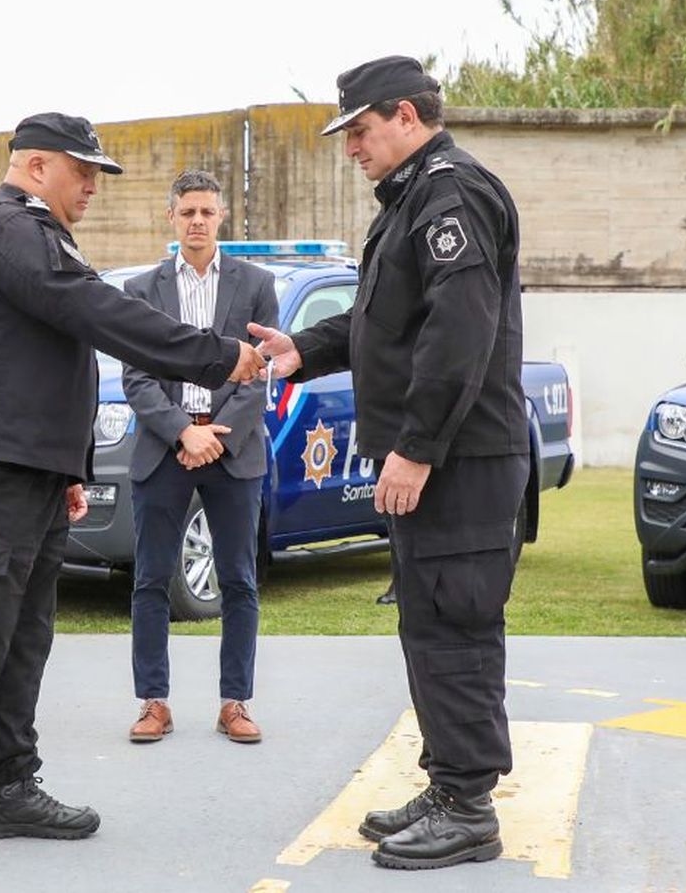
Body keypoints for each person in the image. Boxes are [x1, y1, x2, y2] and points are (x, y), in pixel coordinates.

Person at [0, 113, 264, 874]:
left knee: (20, 637)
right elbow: (93, 312)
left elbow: (40, 359)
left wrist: (65, 469)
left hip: (24, 469)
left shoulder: (33, 234)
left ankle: (8, 786)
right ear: (33, 166)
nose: (92, 185)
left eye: (96, 172)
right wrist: (218, 356)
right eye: (81, 170)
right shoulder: (3, 226)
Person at [251, 56, 529, 872]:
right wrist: (303, 347)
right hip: (442, 461)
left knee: (458, 625)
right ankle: (450, 784)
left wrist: (415, 448)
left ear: (406, 116)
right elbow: (385, 323)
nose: (351, 148)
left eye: (360, 130)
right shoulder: (415, 198)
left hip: (461, 463)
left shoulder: (451, 194)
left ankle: (470, 808)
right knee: (430, 625)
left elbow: (458, 334)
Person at [121, 170, 278, 745]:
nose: (197, 222)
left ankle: (235, 702)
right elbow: (136, 377)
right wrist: (183, 434)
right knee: (151, 581)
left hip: (234, 451)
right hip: (164, 450)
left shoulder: (256, 285)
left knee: (239, 580)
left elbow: (260, 373)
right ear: (171, 218)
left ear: (221, 218)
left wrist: (216, 433)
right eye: (187, 212)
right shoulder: (141, 291)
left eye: (206, 212)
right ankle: (153, 702)